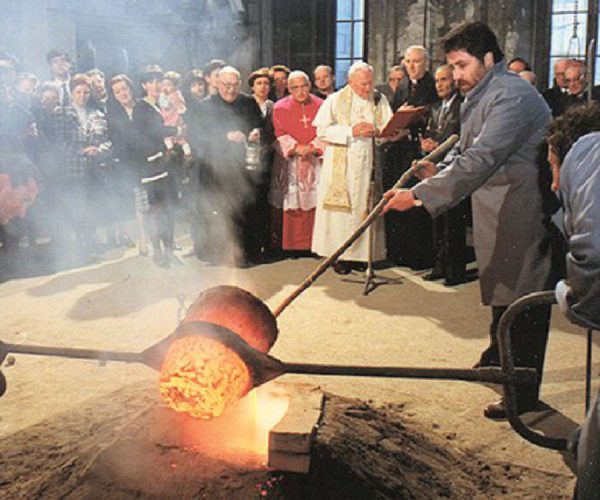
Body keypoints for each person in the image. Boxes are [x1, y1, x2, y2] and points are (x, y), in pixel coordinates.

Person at [382, 21, 554, 418]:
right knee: (501, 287)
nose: (455, 75)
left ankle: (522, 395)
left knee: (522, 299)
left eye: (461, 65)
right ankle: (498, 359)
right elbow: (467, 150)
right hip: (497, 204)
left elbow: (483, 157)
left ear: (488, 59)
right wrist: (435, 173)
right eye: (452, 66)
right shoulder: (482, 91)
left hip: (522, 208)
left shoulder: (511, 96)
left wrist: (419, 196)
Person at [311, 61, 392, 273]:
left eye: (370, 83)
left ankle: (363, 257)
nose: (367, 88)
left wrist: (378, 131)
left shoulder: (378, 98)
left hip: (368, 164)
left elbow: (389, 127)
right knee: (342, 215)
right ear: (350, 81)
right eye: (362, 84)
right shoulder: (335, 100)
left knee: (364, 207)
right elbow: (321, 132)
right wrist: (351, 131)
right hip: (342, 163)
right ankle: (340, 257)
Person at [187, 66, 265, 266]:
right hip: (215, 169)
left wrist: (256, 131)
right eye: (226, 85)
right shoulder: (205, 106)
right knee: (218, 210)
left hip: (243, 168)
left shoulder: (248, 102)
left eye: (234, 85)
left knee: (243, 209)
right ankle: (219, 253)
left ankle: (243, 253)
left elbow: (260, 125)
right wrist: (225, 136)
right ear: (217, 84)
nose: (230, 90)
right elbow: (196, 136)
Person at [545, 102, 600, 329]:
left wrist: (572, 300)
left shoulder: (589, 156)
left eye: (554, 167)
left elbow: (594, 246)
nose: (554, 184)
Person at [386, 45, 438, 270]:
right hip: (401, 150)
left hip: (421, 149)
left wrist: (411, 127)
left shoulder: (433, 85)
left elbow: (434, 116)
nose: (412, 66)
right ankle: (401, 254)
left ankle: (421, 257)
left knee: (418, 201)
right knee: (400, 196)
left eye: (416, 61)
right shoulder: (403, 85)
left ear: (426, 63)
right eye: (408, 62)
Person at [420, 65, 467, 286]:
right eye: (437, 80)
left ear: (454, 81)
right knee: (436, 219)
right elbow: (429, 133)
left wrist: (440, 147)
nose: (439, 84)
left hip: (453, 168)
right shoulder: (435, 107)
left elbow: (461, 138)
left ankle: (454, 271)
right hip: (434, 167)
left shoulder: (463, 106)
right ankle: (439, 265)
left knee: (453, 222)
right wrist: (426, 145)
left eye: (444, 79)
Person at [270, 70, 324, 254]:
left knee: (315, 201)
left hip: (315, 159)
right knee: (292, 203)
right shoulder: (279, 107)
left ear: (309, 86)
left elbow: (325, 130)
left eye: (304, 86)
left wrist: (314, 147)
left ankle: (314, 245)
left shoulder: (322, 105)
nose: (300, 91)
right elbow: (278, 133)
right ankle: (292, 245)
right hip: (291, 161)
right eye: (295, 88)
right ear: (288, 89)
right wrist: (295, 148)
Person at [131, 67, 180, 267]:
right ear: (144, 85)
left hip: (163, 162)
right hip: (150, 165)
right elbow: (151, 131)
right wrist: (174, 129)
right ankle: (158, 250)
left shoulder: (161, 104)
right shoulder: (141, 107)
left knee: (168, 209)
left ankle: (169, 248)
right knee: (155, 210)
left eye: (158, 81)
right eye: (150, 81)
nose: (155, 85)